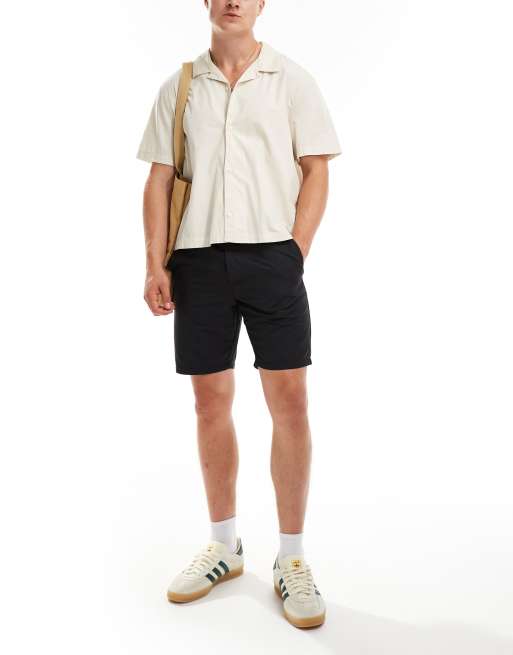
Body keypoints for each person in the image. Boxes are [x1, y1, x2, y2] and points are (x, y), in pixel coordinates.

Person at [136, 0, 341, 629]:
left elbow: (316, 170)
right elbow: (159, 179)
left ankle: (292, 557)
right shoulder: (180, 86)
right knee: (209, 403)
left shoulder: (291, 79)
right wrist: (154, 263)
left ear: (260, 5)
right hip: (197, 261)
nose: (233, 1)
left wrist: (295, 249)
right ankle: (224, 545)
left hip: (273, 258)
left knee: (290, 402)